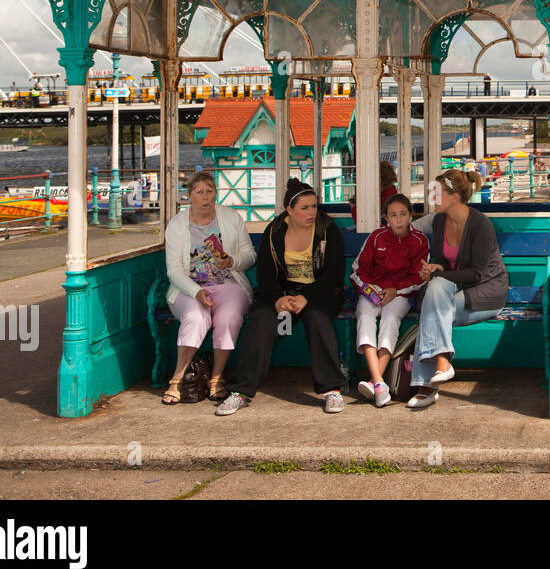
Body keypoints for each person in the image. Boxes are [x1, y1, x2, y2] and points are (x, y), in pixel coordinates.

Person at [215, 179, 347, 415]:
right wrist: (277, 299)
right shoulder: (275, 231)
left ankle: (332, 390)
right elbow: (265, 274)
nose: (311, 212)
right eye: (304, 208)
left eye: (314, 206)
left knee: (317, 318)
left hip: (319, 292)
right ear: (289, 210)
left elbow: (335, 273)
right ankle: (241, 391)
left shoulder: (328, 229)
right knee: (264, 321)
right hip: (284, 294)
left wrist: (307, 296)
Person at [404, 170, 508, 409]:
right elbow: (442, 260)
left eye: (437, 193)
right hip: (456, 288)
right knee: (436, 290)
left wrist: (437, 273)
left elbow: (477, 274)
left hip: (486, 291)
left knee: (432, 310)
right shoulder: (440, 221)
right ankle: (441, 364)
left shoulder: (480, 225)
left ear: (454, 197)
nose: (433, 198)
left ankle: (426, 385)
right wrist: (434, 268)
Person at [162, 171, 257, 404]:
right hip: (189, 288)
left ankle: (217, 377)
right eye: (199, 192)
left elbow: (250, 255)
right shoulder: (176, 225)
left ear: (216, 193)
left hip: (229, 284)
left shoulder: (231, 218)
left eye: (210, 191)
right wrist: (197, 291)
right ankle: (177, 378)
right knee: (195, 316)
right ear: (190, 196)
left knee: (228, 316)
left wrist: (232, 261)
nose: (205, 197)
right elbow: (174, 271)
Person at [352, 194, 429, 406]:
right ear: (386, 218)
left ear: (410, 216)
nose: (398, 220)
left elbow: (420, 277)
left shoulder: (420, 240)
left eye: (403, 214)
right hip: (373, 291)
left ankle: (375, 381)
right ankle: (378, 382)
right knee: (365, 315)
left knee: (390, 317)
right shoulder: (376, 237)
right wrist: (374, 290)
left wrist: (396, 290)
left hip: (402, 294)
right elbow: (358, 270)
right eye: (393, 215)